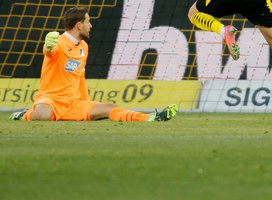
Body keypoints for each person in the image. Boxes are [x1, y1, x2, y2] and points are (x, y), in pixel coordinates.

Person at [10, 7, 178, 122]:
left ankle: (150, 117)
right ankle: (25, 114)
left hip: (74, 103)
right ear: (78, 25)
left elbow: (79, 77)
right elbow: (49, 52)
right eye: (88, 21)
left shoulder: (83, 47)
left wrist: (85, 102)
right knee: (43, 115)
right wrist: (47, 46)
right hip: (51, 100)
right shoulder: (59, 43)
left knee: (109, 107)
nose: (90, 25)